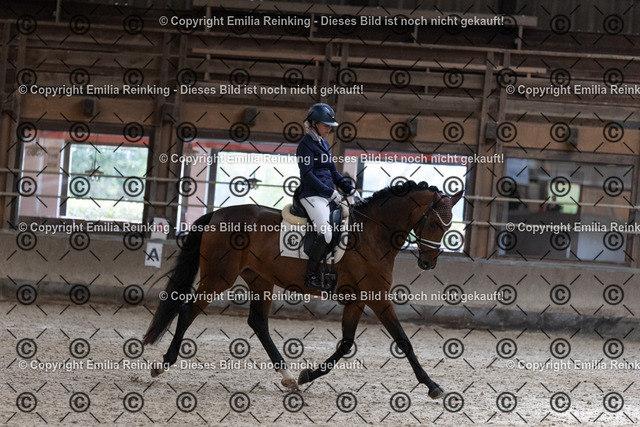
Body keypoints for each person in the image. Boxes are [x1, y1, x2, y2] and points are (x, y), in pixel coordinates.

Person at [296, 103, 363, 290]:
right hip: (311, 195)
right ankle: (310, 276)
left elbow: (333, 173)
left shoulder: (324, 144)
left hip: (326, 195)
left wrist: (349, 189)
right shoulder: (305, 145)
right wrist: (331, 192)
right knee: (325, 233)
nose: (329, 129)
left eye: (329, 126)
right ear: (314, 123)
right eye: (326, 125)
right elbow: (307, 175)